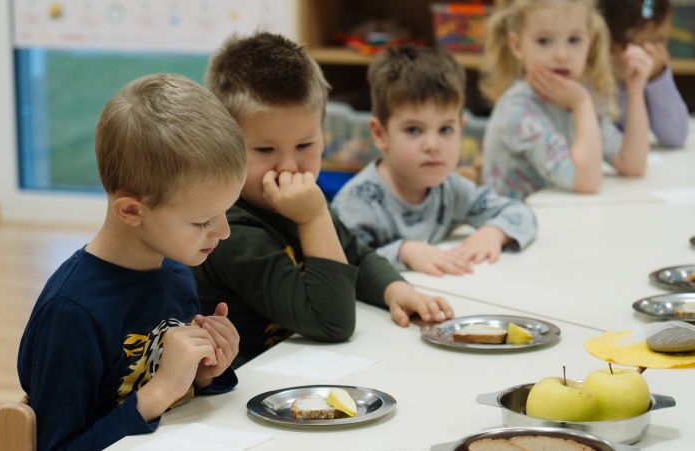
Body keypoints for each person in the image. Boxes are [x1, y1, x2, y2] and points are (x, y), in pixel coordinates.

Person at [18, 74, 247, 451]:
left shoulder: (176, 275)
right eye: (202, 221)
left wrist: (206, 373)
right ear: (130, 211)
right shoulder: (71, 314)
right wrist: (157, 393)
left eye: (225, 211)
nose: (224, 232)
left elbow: (180, 402)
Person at [194, 32, 454, 366]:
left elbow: (354, 252)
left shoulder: (293, 199)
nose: (289, 166)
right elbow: (332, 322)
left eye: (304, 146)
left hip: (298, 365)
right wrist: (314, 217)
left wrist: (393, 289)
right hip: (244, 386)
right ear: (223, 145)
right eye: (264, 149)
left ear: (322, 137)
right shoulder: (230, 231)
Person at [332, 46, 537, 277]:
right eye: (413, 130)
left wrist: (494, 231)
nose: (433, 145)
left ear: (461, 127)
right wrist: (403, 252)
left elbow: (521, 213)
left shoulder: (451, 188)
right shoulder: (358, 202)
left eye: (446, 129)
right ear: (379, 134)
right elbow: (339, 265)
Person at [480, 0, 652, 200]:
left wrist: (636, 91)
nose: (562, 55)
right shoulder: (518, 110)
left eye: (574, 40)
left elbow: (632, 163)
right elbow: (586, 181)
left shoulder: (575, 97)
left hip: (560, 214)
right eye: (544, 41)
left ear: (590, 42)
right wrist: (581, 106)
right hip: (514, 226)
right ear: (517, 46)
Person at [599, 0, 689, 148]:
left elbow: (675, 137)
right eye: (653, 43)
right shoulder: (591, 79)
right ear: (612, 46)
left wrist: (657, 78)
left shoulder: (653, 74)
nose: (660, 53)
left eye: (664, 41)